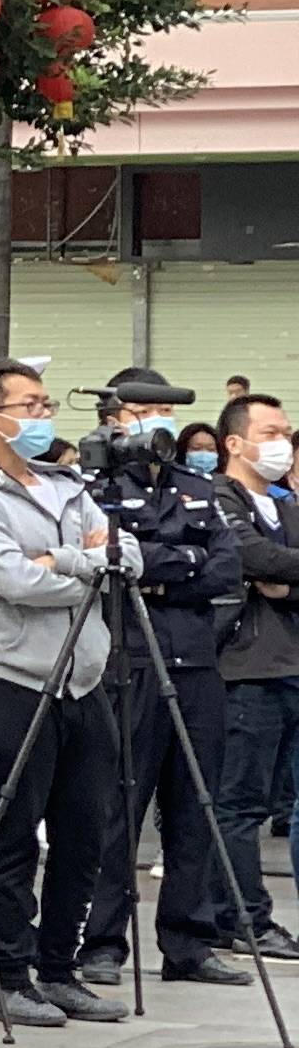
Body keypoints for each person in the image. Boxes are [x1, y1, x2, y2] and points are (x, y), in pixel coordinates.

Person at [0, 358, 132, 1028]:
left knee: (86, 831)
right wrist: (90, 565)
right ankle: (12, 978)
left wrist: (70, 560)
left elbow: (128, 557)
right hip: (9, 678)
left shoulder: (66, 484)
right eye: (31, 405)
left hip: (82, 678)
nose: (44, 416)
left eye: (47, 404)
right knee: (11, 835)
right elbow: (16, 583)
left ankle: (60, 969)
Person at [79, 367, 251, 987]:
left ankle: (189, 942)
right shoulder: (96, 488)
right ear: (114, 418)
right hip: (129, 658)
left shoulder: (195, 486)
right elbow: (114, 561)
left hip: (196, 660)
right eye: (143, 411)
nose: (159, 423)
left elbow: (227, 567)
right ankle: (101, 941)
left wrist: (161, 568)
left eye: (165, 411)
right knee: (119, 804)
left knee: (194, 804)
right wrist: (182, 561)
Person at [214, 396, 299, 965]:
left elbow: (275, 567)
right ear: (235, 442)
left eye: (286, 432)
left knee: (275, 801)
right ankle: (243, 919)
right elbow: (252, 557)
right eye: (270, 432)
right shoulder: (219, 498)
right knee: (239, 804)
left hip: (290, 666)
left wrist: (283, 583)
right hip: (247, 671)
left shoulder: (284, 503)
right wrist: (274, 572)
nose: (282, 444)